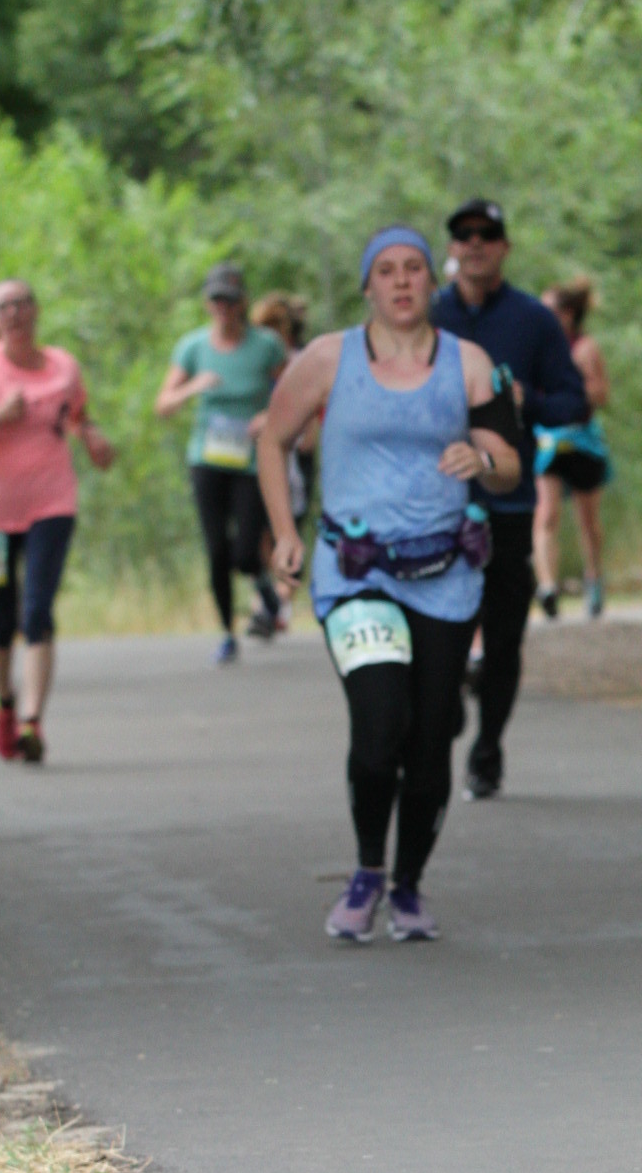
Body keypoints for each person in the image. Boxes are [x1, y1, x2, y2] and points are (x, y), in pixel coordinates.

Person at [256, 227, 521, 943]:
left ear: (432, 281)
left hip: (444, 576)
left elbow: (509, 463)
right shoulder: (325, 359)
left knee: (430, 740)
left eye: (413, 269)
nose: (401, 281)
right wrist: (284, 532)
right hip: (356, 573)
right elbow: (272, 440)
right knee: (380, 728)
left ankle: (407, 884)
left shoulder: (470, 363)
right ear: (368, 286)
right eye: (386, 271)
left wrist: (482, 461)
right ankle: (368, 869)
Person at [431, 201, 589, 799]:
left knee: (502, 638)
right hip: (432, 503)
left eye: (487, 234)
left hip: (507, 502)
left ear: (504, 246)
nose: (475, 243)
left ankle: (488, 749)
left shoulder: (533, 320)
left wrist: (528, 401)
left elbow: (575, 402)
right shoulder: (428, 315)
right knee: (438, 633)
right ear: (452, 247)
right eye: (463, 234)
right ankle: (446, 706)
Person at [0, 277, 115, 764]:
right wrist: (0, 418)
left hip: (52, 504)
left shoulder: (64, 365)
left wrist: (92, 436)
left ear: (36, 310)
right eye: (4, 307)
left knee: (37, 610)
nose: (14, 313)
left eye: (22, 303)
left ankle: (32, 721)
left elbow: (78, 414)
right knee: (0, 618)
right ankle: (6, 702)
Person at [155, 263, 288, 663]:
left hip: (251, 460)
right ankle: (228, 633)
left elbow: (291, 392)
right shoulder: (193, 348)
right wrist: (193, 387)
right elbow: (163, 405)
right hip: (208, 458)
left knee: (246, 550)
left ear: (242, 302)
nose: (224, 308)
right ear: (207, 304)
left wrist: (268, 416)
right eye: (217, 300)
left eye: (230, 301)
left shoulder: (266, 346)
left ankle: (261, 583)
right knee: (216, 550)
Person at [534, 279, 613, 619]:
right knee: (546, 513)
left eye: (547, 310)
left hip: (581, 439)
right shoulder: (536, 348)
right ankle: (547, 586)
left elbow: (602, 395)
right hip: (548, 440)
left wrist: (574, 385)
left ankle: (594, 578)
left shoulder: (585, 348)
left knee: (587, 518)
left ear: (566, 314)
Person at [251, 293, 316, 630]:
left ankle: (282, 602)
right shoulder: (259, 360)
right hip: (262, 452)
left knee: (290, 526)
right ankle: (270, 600)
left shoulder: (304, 360)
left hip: (296, 454)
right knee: (261, 532)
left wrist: (308, 440)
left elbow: (314, 411)